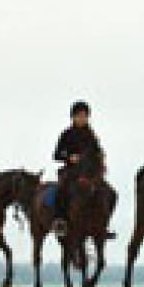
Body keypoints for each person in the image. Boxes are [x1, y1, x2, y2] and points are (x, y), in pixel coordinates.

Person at [51, 100, 105, 236]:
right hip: (71, 171)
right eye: (79, 115)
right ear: (73, 117)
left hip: (89, 172)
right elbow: (56, 155)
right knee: (61, 189)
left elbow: (97, 153)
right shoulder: (67, 134)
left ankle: (101, 224)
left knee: (109, 192)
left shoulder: (92, 135)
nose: (82, 118)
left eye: (85, 115)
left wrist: (100, 159)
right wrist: (69, 157)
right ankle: (60, 221)